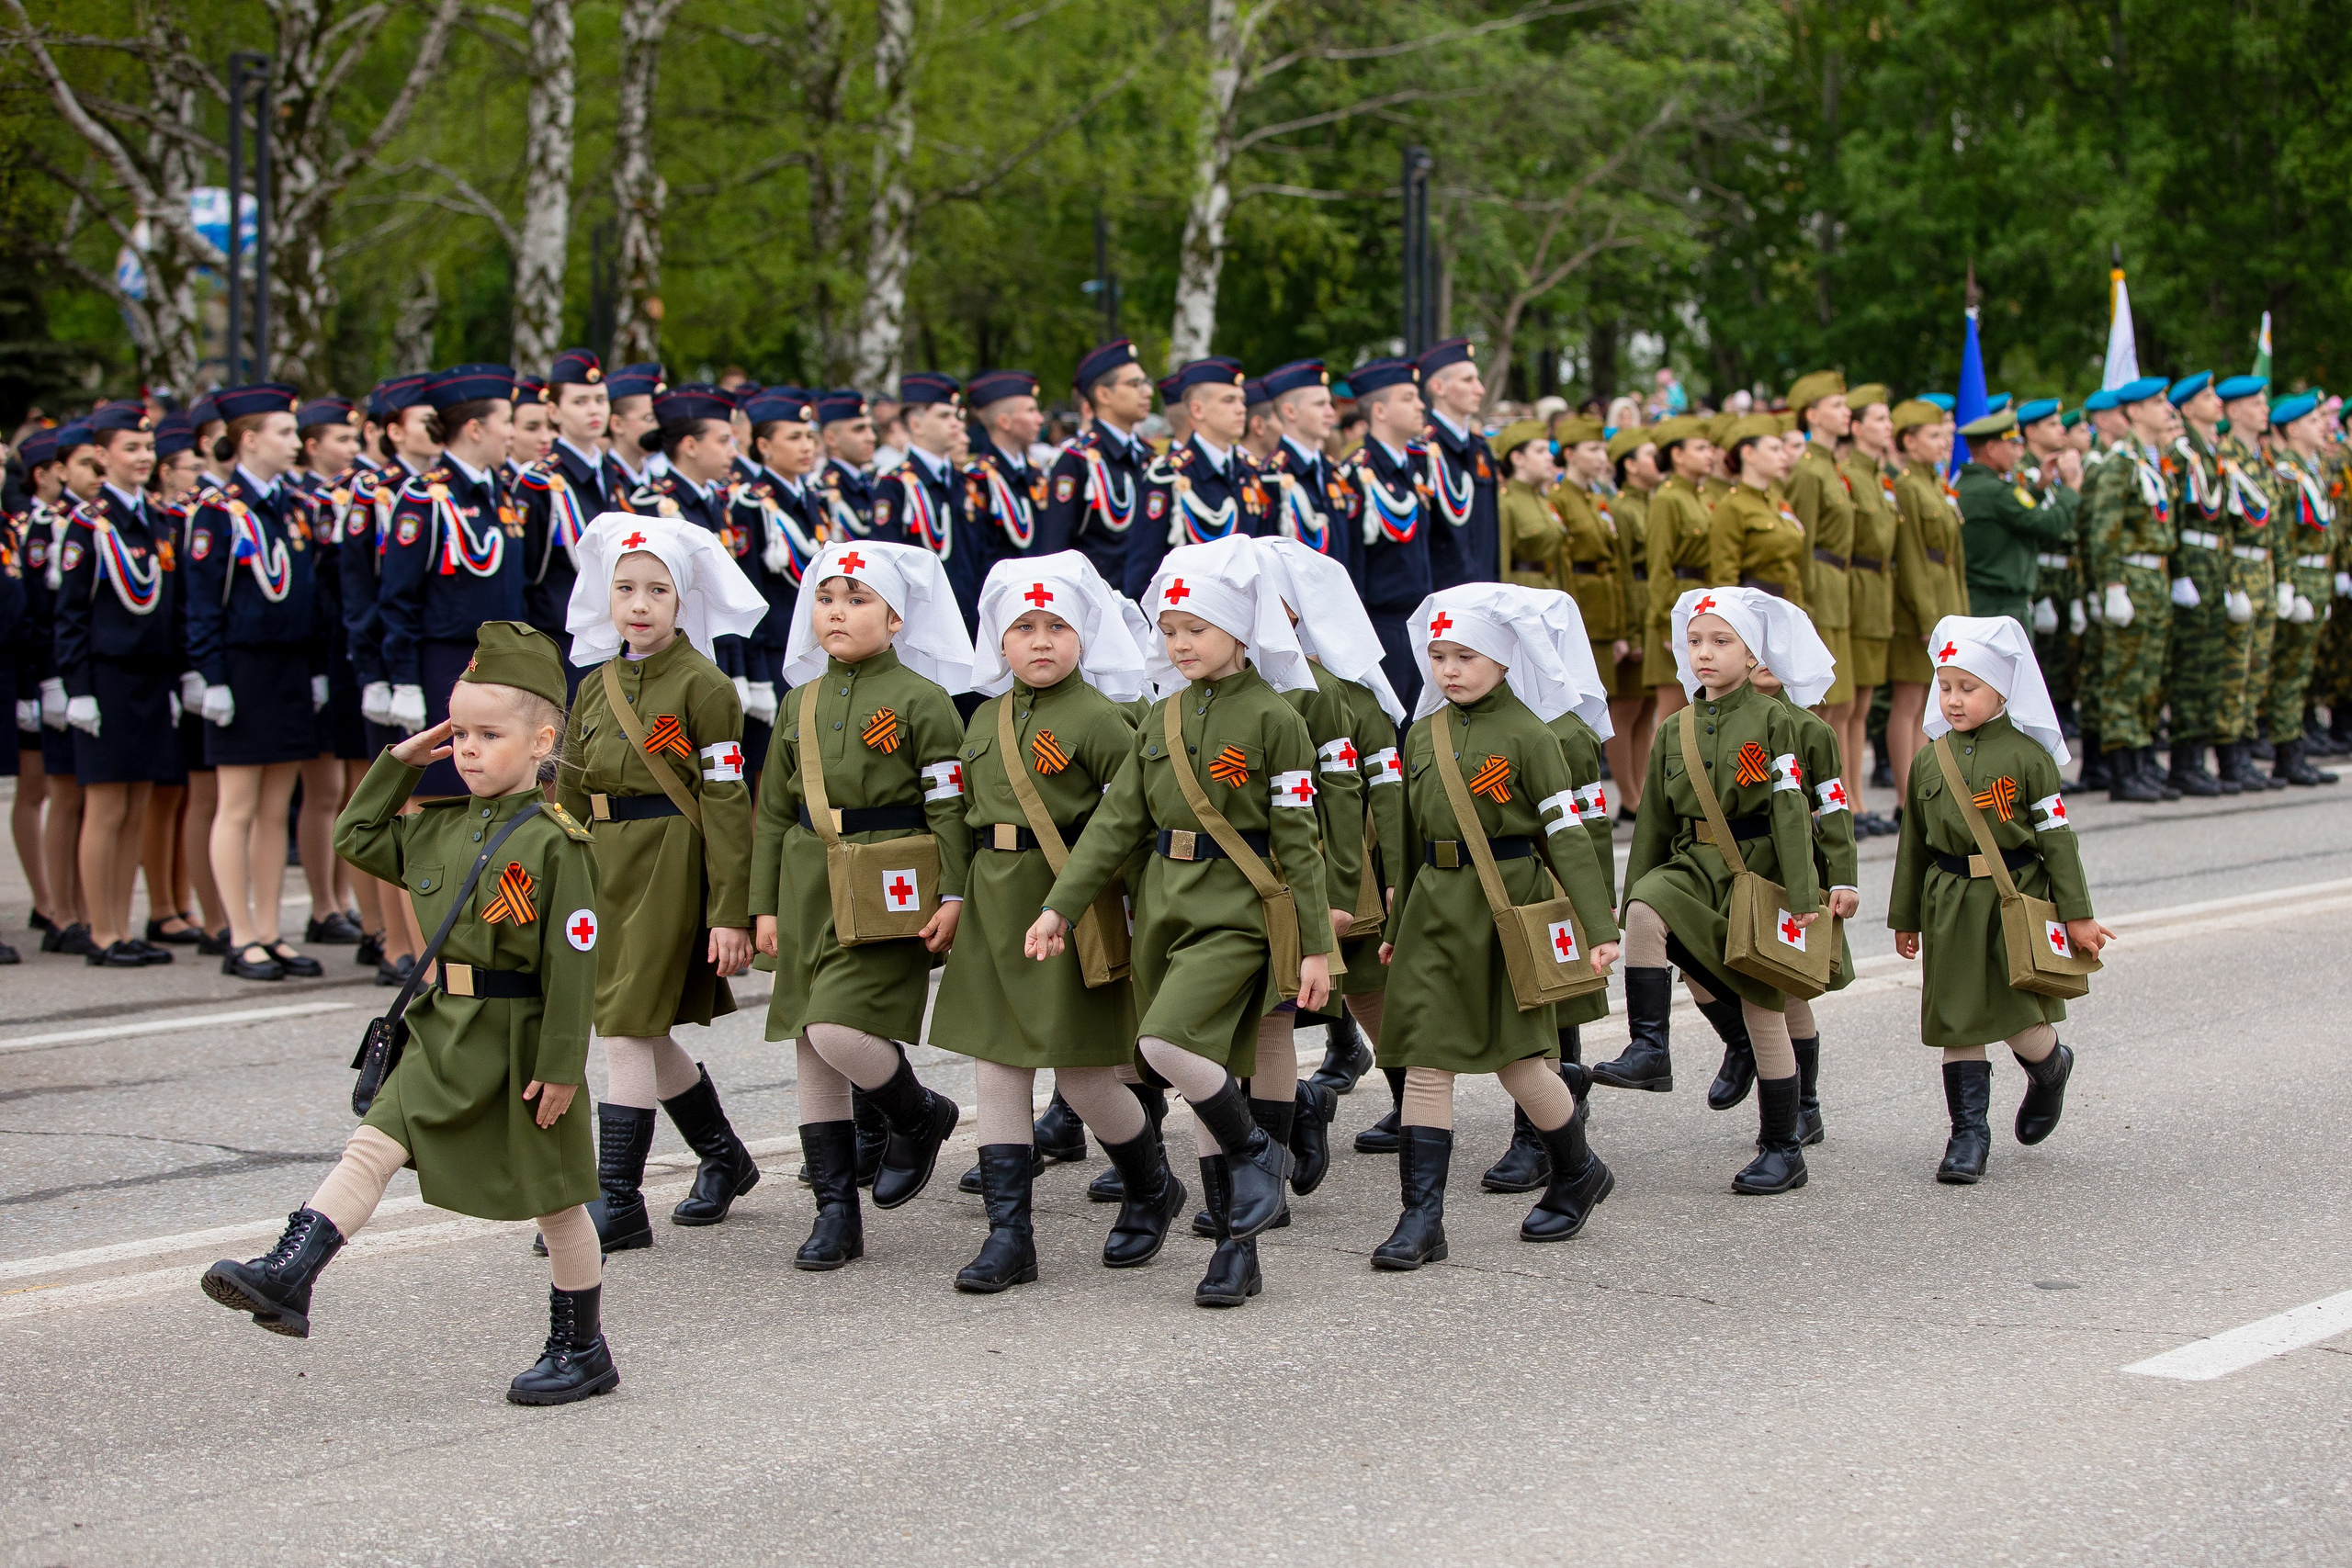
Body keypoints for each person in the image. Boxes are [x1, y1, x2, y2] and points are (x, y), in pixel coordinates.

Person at [202, 622, 616, 1404]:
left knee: (557, 1202)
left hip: (519, 1044)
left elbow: (574, 965)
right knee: (370, 1147)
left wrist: (562, 1066)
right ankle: (290, 1274)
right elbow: (355, 833)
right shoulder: (438, 827)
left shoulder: (558, 843)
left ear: (542, 740)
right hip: (441, 1030)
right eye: (459, 732)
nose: (467, 748)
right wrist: (398, 763)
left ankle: (582, 1347)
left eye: (489, 734)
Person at [1025, 535, 1332, 1308]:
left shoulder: (1276, 716)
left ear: (1239, 629)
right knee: (1208, 1072)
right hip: (1164, 912)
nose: (1181, 641)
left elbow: (1301, 844)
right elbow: (1113, 824)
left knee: (1167, 1046)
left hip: (1237, 913)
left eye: (1197, 625)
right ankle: (1237, 1249)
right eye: (1169, 628)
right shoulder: (1160, 718)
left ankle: (1257, 1145)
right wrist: (1060, 906)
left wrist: (1317, 949)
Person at [932, 553, 1184, 1289]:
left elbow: (1127, 826)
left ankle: (1149, 1184)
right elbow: (956, 816)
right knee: (996, 1066)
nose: (1040, 641)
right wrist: (953, 895)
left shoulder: (1101, 719)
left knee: (1081, 1077)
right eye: (1023, 627)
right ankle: (1011, 1236)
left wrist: (1139, 919)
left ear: (1084, 635)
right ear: (999, 641)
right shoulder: (982, 717)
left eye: (1057, 626)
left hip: (1068, 910)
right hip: (992, 907)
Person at [1366, 584, 1622, 1267]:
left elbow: (1569, 837)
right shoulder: (1422, 734)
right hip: (1431, 910)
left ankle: (1577, 1168)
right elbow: (1411, 835)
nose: (1449, 669)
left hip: (1505, 906)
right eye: (1438, 656)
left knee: (1519, 1061)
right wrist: (1397, 922)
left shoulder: (1533, 736)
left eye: (1465, 656)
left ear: (1505, 660)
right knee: (1425, 1060)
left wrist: (1600, 926)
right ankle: (1422, 1219)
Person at [753, 539, 976, 1269]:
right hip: (806, 879)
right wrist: (763, 906)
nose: (838, 613)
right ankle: (834, 1214)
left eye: (857, 600)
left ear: (896, 618)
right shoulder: (799, 700)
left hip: (889, 882)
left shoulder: (924, 701)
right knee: (808, 1047)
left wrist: (952, 891)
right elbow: (771, 812)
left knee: (838, 1028)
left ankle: (918, 1112)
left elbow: (948, 807)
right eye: (826, 599)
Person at [553, 513, 766, 1251]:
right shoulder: (596, 683)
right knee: (636, 1025)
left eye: (656, 590)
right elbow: (570, 793)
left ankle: (617, 1199)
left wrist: (730, 910)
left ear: (682, 603)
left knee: (621, 1025)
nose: (638, 604)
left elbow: (727, 805)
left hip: (669, 864)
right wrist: (554, 877)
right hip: (601, 865)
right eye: (625, 589)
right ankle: (723, 1156)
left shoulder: (706, 687)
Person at [1592, 586, 1825, 1193]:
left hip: (1758, 869)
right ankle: (1650, 1047)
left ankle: (1782, 1147)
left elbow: (1792, 806)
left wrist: (1803, 891)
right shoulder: (1676, 727)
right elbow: (1653, 821)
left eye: (1722, 642)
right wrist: (1630, 890)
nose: (1705, 653)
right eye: (1695, 641)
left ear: (1753, 656)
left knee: (1762, 1006)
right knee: (1647, 909)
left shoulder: (1775, 720)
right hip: (1692, 864)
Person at [1888, 617, 2108, 1182]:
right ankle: (1968, 1134)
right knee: (1957, 1019)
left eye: (1969, 688)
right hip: (1949, 900)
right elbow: (1914, 841)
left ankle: (2050, 1065)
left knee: (2017, 1016)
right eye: (1945, 686)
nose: (1954, 700)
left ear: (2002, 691)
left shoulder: (2029, 758)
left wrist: (2078, 915)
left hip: (2014, 896)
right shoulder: (1929, 760)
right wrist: (1906, 916)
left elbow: (2057, 840)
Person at [1473, 592, 1622, 1193]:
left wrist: (1598, 903)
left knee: (1549, 1004)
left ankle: (1536, 1135)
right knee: (1523, 1003)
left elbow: (1591, 823)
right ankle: (1561, 1098)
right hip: (1494, 881)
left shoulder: (1565, 730)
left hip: (1552, 884)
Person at [186, 384, 332, 982]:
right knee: (238, 805)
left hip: (289, 668)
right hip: (241, 669)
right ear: (248, 439)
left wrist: (317, 667)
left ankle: (271, 930)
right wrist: (211, 677)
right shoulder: (217, 511)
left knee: (276, 807)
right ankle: (239, 932)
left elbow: (313, 597)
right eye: (282, 432)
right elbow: (200, 605)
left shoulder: (293, 507)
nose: (293, 442)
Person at [1714, 595, 1857, 1144]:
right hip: (1731, 867)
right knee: (1708, 969)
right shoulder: (1717, 719)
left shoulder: (1811, 730)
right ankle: (1742, 1045)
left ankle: (1806, 1104)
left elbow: (1835, 807)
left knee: (1786, 984)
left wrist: (1841, 877)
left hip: (1792, 868)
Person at [55, 400, 182, 967]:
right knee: (105, 808)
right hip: (105, 679)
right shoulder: (87, 524)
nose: (142, 458)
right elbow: (70, 614)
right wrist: (76, 687)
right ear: (102, 456)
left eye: (147, 449)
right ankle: (100, 931)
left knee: (136, 805)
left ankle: (123, 924)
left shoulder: (156, 520)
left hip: (151, 677)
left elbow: (169, 608)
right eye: (130, 448)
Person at [378, 365, 526, 795]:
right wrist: (403, 679)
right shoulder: (425, 496)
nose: (512, 433)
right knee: (439, 803)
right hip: (444, 665)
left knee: (498, 797)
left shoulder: (503, 492)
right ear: (476, 429)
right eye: (507, 422)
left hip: (501, 666)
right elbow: (398, 597)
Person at [289, 397, 370, 953]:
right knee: (326, 788)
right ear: (312, 445)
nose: (350, 449)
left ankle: (343, 903)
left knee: (349, 786)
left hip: (345, 651)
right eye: (339, 440)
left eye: (353, 439)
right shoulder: (306, 503)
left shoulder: (350, 495)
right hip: (326, 651)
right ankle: (324, 903)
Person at [2080, 377, 2181, 803]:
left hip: (2154, 577)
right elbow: (2103, 531)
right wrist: (2112, 585)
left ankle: (2141, 760)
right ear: (2134, 412)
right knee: (2124, 676)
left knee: (2149, 676)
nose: (2167, 409)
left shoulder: (2152, 461)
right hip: (2130, 577)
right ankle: (2122, 770)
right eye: (2157, 402)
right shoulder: (2120, 462)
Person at [731, 386, 831, 773]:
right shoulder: (751, 504)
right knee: (771, 766)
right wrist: (754, 670)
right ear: (764, 445)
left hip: (817, 642)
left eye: (809, 436)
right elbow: (748, 589)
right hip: (774, 649)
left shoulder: (814, 497)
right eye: (794, 437)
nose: (807, 446)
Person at [1127, 358, 1270, 600]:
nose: (1240, 409)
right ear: (1197, 410)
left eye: (1242, 400)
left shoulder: (1252, 473)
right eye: (1228, 400)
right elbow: (1144, 571)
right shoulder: (1169, 476)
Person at [513, 349, 614, 687]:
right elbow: (525, 575)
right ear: (554, 411)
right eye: (580, 401)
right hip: (560, 641)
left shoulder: (616, 476)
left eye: (600, 399)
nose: (594, 409)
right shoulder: (539, 482)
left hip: (615, 639)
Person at [1887, 399, 1968, 807]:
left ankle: (1927, 789)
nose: (1943, 443)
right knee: (1910, 700)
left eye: (1944, 436)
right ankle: (1908, 795)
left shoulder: (1934, 484)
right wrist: (1926, 616)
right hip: (1921, 606)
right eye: (1934, 436)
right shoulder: (1906, 486)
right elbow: (1914, 557)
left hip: (1945, 599)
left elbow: (1952, 559)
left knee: (1930, 698)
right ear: (1909, 440)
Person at [1344, 357, 1434, 721]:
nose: (1421, 406)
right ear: (1379, 410)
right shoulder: (1357, 475)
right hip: (1382, 627)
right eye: (1409, 398)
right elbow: (1352, 565)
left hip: (1419, 623)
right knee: (1388, 737)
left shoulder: (1414, 467)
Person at [2262, 389, 2339, 785]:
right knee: (2288, 671)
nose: (2323, 426)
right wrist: (2290, 586)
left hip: (2317, 576)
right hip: (2300, 579)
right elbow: (2283, 536)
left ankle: (2296, 747)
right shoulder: (2288, 472)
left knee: (2302, 670)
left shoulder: (2312, 467)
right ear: (2291, 429)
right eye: (2312, 421)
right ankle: (2286, 753)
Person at [884, 372, 996, 638]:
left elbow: (982, 556)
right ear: (916, 425)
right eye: (944, 416)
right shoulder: (895, 485)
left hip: (970, 619)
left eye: (957, 416)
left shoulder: (966, 483)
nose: (957, 423)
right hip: (920, 628)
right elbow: (887, 567)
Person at [1034, 342, 1153, 588]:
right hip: (1100, 608)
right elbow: (1055, 551)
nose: (1147, 392)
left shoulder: (1148, 457)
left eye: (1145, 383)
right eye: (1134, 384)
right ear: (1103, 395)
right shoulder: (1076, 461)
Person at [2211, 378, 2280, 793]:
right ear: (2233, 411)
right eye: (2255, 403)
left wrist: (2284, 580)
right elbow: (2224, 529)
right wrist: (2232, 584)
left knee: (2258, 670)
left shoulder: (2263, 457)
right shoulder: (2225, 459)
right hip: (2240, 574)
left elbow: (2276, 529)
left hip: (2265, 575)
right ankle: (2229, 752)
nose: (2264, 409)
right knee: (2234, 670)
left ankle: (2247, 745)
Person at [1841, 386, 1900, 833]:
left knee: (1861, 704)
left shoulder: (1879, 475)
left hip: (1876, 588)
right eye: (1879, 419)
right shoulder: (1849, 473)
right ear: (1857, 427)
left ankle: (1857, 799)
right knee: (1846, 705)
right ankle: (1847, 798)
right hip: (1854, 589)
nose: (1888, 427)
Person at [1255, 358, 1361, 589]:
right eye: (1319, 404)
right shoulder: (1270, 477)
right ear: (1290, 411)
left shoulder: (1335, 473)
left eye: (1330, 404)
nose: (1331, 413)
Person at [1643, 416, 1716, 728]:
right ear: (1677, 455)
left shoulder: (1700, 497)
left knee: (1697, 712)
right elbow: (1659, 566)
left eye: (1710, 447)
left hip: (1700, 603)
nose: (1710, 454)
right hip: (1676, 611)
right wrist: (1664, 624)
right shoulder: (1667, 499)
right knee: (1675, 717)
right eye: (1700, 447)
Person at [1604, 425, 1659, 811]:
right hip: (1632, 604)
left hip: (1649, 601)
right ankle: (1628, 793)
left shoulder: (1649, 503)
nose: (1661, 462)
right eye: (1651, 455)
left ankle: (1639, 790)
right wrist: (1630, 631)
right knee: (1624, 707)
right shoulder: (1622, 508)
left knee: (1645, 705)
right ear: (1630, 465)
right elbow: (1623, 571)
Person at [1417, 338, 1499, 590]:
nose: (1480, 389)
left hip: (1484, 592)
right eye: (1468, 380)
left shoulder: (1481, 449)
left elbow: (1491, 535)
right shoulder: (1421, 450)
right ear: (1438, 387)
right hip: (1444, 595)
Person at [963, 368, 1047, 569]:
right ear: (1004, 422)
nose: (1040, 419)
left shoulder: (1035, 475)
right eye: (1030, 411)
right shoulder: (978, 479)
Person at [1494, 420, 1564, 593]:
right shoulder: (1505, 502)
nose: (1549, 457)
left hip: (1550, 590)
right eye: (1540, 451)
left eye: (1548, 450)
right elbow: (1502, 565)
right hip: (1523, 592)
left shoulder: (1544, 499)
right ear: (1517, 458)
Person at [816, 389, 879, 541]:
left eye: (870, 428)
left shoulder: (872, 479)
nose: (871, 437)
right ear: (831, 439)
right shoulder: (823, 490)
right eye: (859, 430)